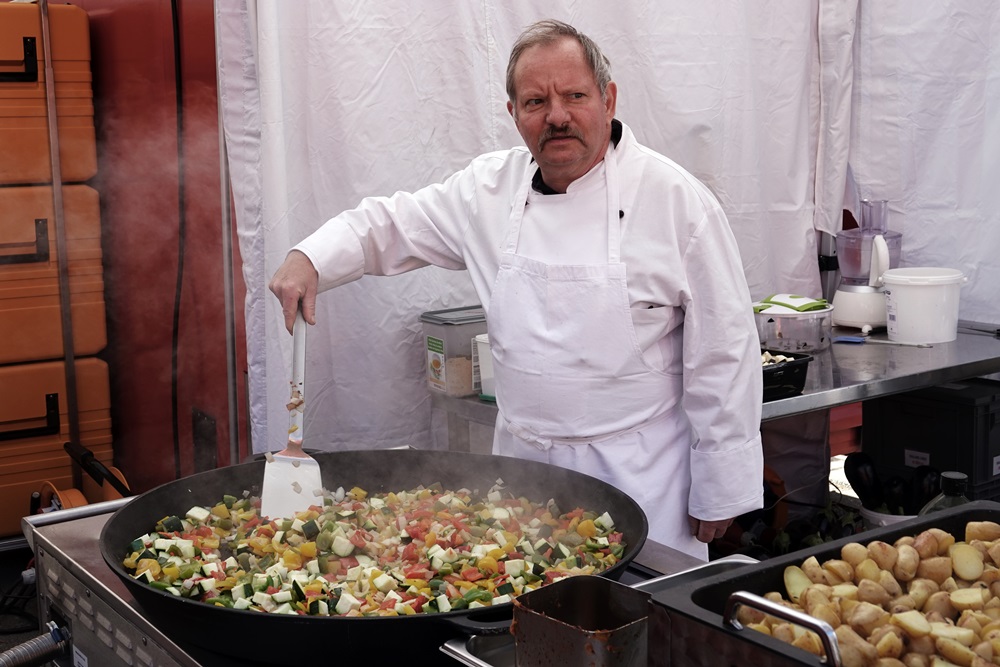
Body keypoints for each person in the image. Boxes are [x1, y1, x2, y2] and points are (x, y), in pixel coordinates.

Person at [269, 18, 763, 559]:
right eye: (535, 102)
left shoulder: (677, 201)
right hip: (523, 478)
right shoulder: (487, 191)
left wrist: (723, 486)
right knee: (525, 624)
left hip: (642, 478)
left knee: (638, 630)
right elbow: (391, 224)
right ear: (513, 114)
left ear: (608, 98)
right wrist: (310, 255)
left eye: (574, 95)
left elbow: (726, 351)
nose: (557, 116)